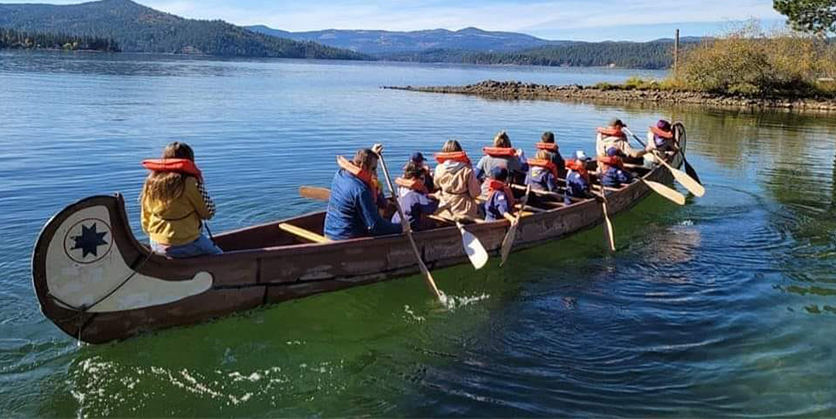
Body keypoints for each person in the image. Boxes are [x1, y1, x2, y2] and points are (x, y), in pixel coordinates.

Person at [140, 142, 222, 258]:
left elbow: (145, 218)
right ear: (190, 160)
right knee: (220, 256)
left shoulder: (151, 181)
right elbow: (208, 213)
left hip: (156, 243)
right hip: (185, 243)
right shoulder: (190, 183)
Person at [324, 144, 403, 240]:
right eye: (373, 169)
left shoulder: (340, 173)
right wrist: (401, 227)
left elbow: (362, 167)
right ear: (363, 166)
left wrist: (372, 154)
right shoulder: (361, 190)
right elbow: (376, 226)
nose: (375, 173)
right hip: (347, 239)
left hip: (329, 232)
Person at [433, 140, 482, 221]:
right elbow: (475, 193)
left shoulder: (439, 168)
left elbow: (436, 184)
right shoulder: (467, 169)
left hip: (444, 208)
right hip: (464, 210)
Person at [391, 162, 440, 231]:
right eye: (422, 178)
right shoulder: (415, 194)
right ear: (414, 179)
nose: (424, 181)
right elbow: (430, 208)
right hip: (408, 225)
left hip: (395, 220)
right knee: (434, 222)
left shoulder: (401, 188)